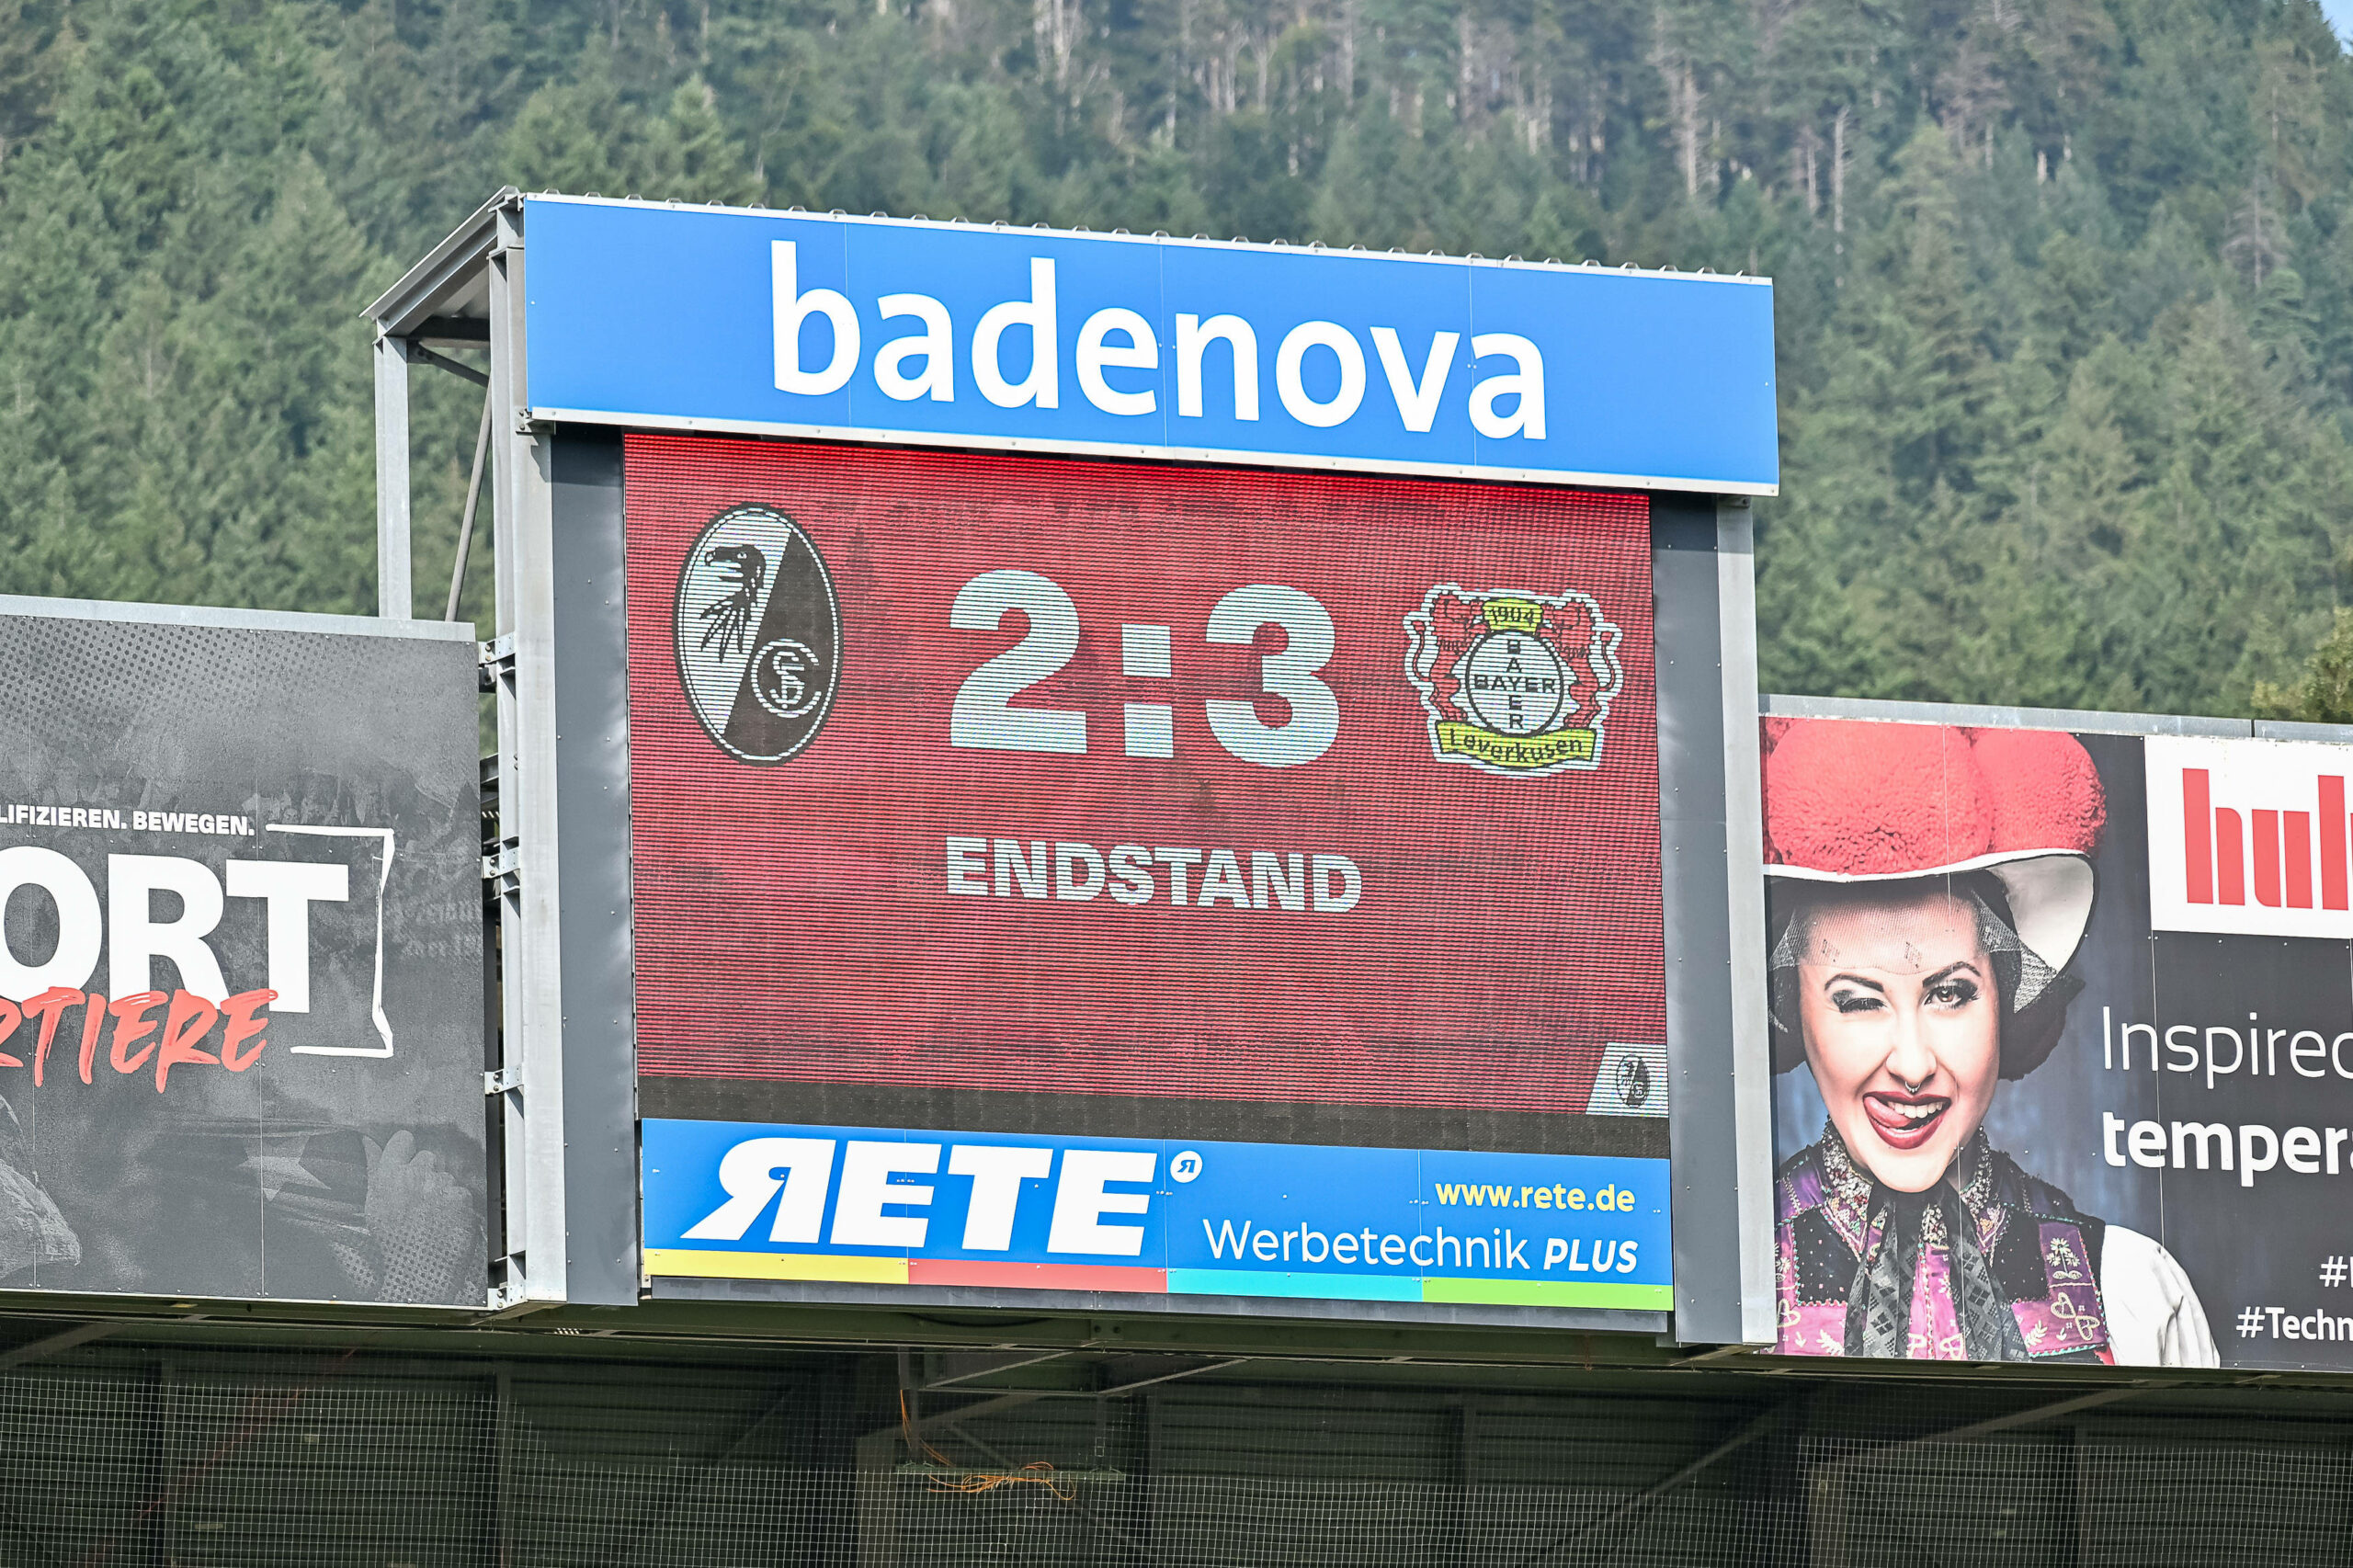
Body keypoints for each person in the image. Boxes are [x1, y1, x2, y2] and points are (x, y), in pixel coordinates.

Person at [1764, 719, 2216, 1367]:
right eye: (1859, 1002)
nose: (1914, 1065)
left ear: (2006, 1001)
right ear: (1792, 1011)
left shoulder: (2131, 1291)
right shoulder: (1724, 1277)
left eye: (1950, 994)